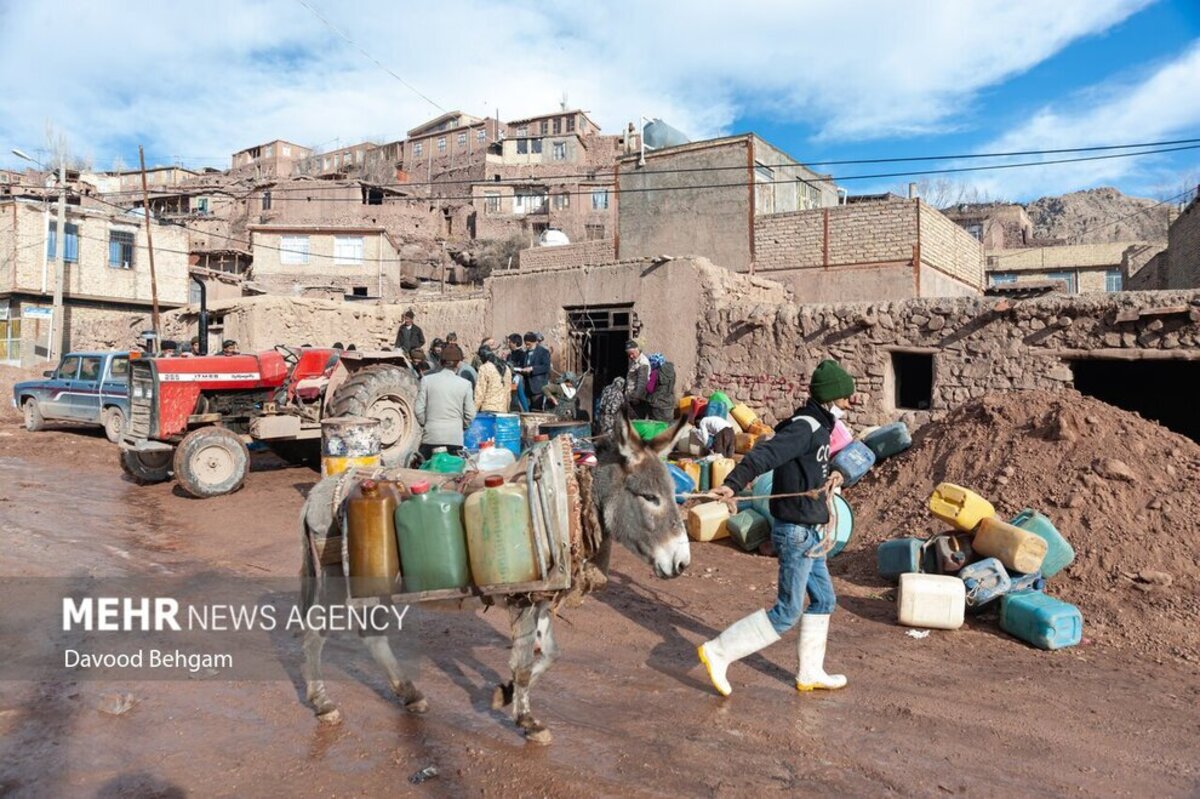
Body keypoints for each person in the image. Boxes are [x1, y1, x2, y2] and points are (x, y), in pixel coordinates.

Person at [697, 359, 857, 697]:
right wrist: (733, 483)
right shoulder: (804, 426)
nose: (848, 404)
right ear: (831, 397)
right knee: (787, 611)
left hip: (811, 532)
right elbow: (765, 454)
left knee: (825, 599)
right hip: (795, 531)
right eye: (845, 398)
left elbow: (813, 465)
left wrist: (835, 473)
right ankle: (718, 651)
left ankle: (810, 672)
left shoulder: (822, 428)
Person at [414, 343, 475, 460]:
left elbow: (418, 409)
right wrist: (461, 426)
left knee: (428, 473)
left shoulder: (427, 380)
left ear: (441, 362)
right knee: (451, 475)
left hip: (431, 437)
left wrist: (427, 423)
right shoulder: (465, 384)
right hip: (454, 438)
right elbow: (470, 414)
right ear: (458, 364)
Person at [516, 332, 551, 411]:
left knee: (536, 409)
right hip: (527, 386)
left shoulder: (543, 352)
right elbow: (522, 366)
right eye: (526, 344)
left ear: (535, 342)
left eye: (529, 344)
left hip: (538, 387)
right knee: (527, 409)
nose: (527, 346)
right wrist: (521, 370)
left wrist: (532, 369)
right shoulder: (525, 354)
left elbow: (546, 367)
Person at [474, 344, 511, 413]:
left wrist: (474, 410)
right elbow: (508, 392)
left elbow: (479, 392)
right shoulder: (506, 368)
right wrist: (507, 408)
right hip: (503, 409)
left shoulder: (484, 368)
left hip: (488, 409)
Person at [623, 340, 651, 417]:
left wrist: (637, 397)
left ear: (637, 350)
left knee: (636, 422)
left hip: (637, 401)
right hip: (630, 397)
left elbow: (642, 382)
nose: (631, 356)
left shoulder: (643, 363)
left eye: (632, 354)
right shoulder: (633, 361)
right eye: (629, 354)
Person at [646, 353, 676, 422]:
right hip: (670, 403)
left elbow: (649, 389)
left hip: (657, 405)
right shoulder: (672, 372)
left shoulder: (655, 373)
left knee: (657, 426)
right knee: (667, 425)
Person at [506, 333, 529, 412]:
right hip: (510, 378)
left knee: (519, 395)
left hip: (518, 378)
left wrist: (512, 368)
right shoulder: (509, 355)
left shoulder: (522, 354)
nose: (508, 344)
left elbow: (523, 368)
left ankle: (526, 412)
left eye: (510, 342)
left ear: (515, 343)